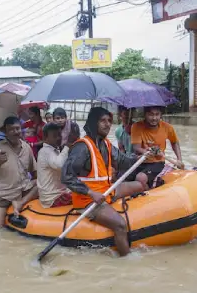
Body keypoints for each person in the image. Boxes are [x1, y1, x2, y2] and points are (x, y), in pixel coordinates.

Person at [61, 107, 149, 257]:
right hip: (89, 200)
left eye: (109, 121)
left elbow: (124, 162)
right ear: (93, 122)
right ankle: (126, 259)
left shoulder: (106, 144)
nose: (107, 124)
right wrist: (90, 192)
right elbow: (66, 176)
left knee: (140, 186)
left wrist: (142, 156)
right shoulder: (82, 147)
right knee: (120, 225)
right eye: (103, 121)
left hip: (107, 191)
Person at [0, 116, 38, 232]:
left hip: (22, 189)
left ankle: (19, 203)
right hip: (2, 193)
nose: (15, 132)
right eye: (11, 129)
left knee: (41, 183)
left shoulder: (26, 147)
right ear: (5, 132)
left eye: (17, 129)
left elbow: (35, 171)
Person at [130, 106, 183, 188]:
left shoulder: (167, 127)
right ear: (145, 114)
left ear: (161, 115)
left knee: (141, 178)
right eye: (151, 115)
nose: (154, 118)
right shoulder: (136, 126)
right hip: (140, 160)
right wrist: (146, 152)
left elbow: (174, 142)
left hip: (157, 161)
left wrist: (179, 160)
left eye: (157, 114)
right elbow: (136, 147)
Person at [37, 123, 79, 208]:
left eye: (60, 135)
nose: (59, 138)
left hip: (57, 193)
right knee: (85, 198)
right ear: (45, 138)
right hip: (52, 198)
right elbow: (60, 165)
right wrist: (68, 145)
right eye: (55, 136)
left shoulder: (54, 150)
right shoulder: (45, 151)